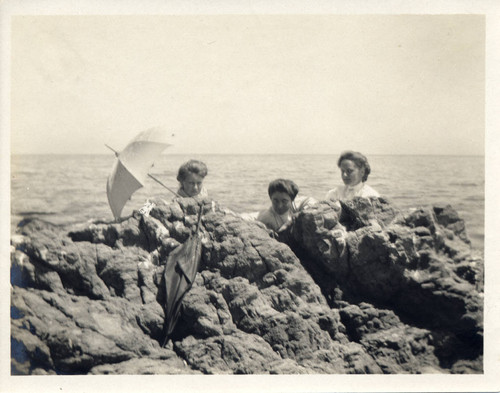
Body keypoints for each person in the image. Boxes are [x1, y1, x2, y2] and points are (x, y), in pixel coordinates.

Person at [245, 179, 316, 233]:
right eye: (275, 201)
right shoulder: (267, 216)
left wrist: (293, 220)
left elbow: (313, 203)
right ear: (270, 198)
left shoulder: (297, 204)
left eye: (284, 201)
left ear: (292, 199)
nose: (279, 206)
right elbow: (246, 217)